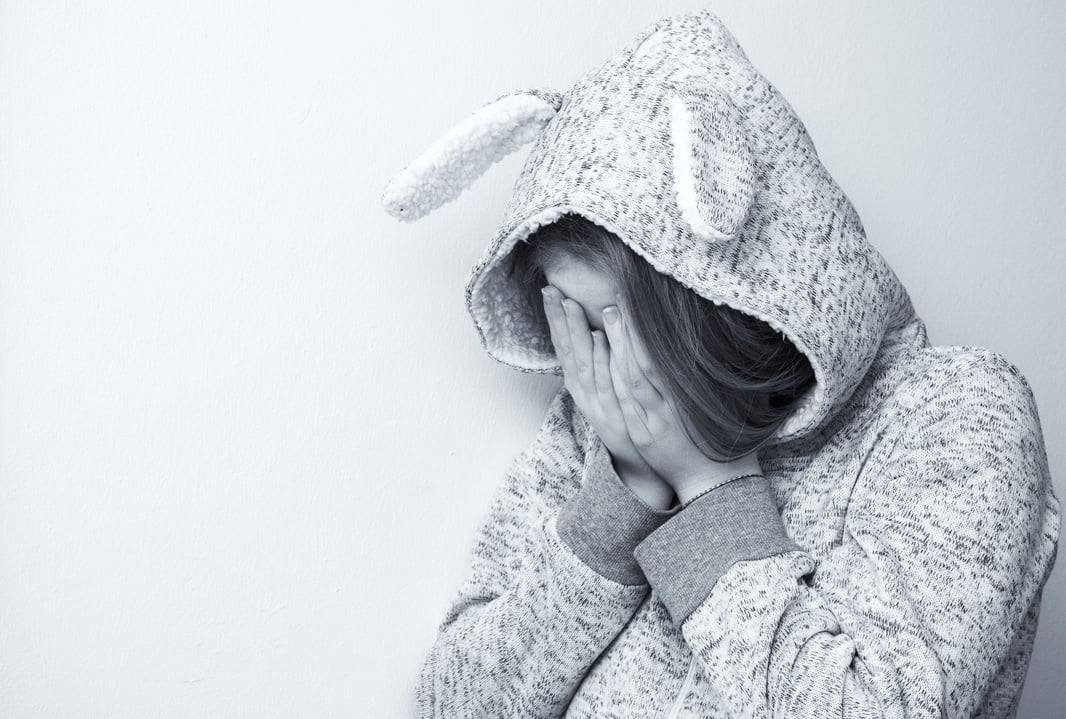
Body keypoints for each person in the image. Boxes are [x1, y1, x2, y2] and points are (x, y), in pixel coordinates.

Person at [381, 9, 1060, 719]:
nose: (591, 369)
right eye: (569, 325)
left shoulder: (959, 416)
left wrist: (707, 485)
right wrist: (623, 500)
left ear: (713, 298)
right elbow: (453, 704)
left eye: (606, 323)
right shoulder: (602, 423)